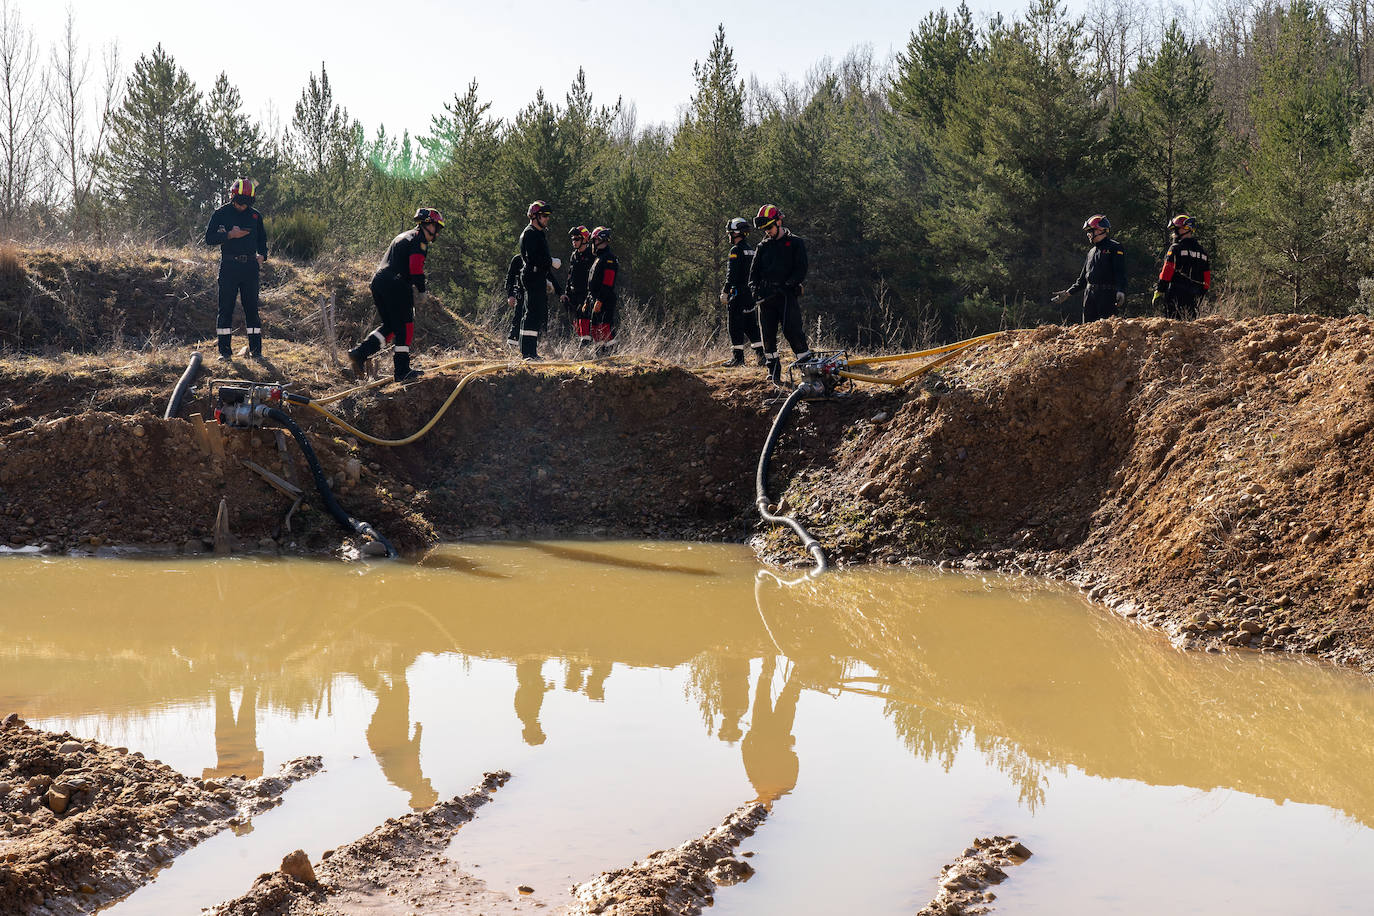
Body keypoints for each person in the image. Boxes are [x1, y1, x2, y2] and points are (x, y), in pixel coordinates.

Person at [348, 207, 444, 383]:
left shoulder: (404, 235)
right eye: (436, 228)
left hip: (378, 282)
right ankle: (402, 371)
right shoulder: (419, 240)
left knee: (391, 326)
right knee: (405, 326)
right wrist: (421, 290)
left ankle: (360, 353)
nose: (437, 233)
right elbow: (415, 268)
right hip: (397, 285)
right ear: (427, 224)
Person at [204, 178, 268, 360]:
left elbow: (262, 240)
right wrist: (229, 235)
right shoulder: (221, 213)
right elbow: (209, 238)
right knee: (225, 309)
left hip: (250, 268)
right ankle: (224, 352)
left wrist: (262, 255)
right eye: (240, 203)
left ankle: (257, 352)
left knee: (252, 310)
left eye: (246, 204)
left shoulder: (255, 216)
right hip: (229, 266)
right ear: (232, 196)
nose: (242, 207)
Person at [747, 204, 811, 384]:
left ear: (779, 222)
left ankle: (807, 369)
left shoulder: (795, 243)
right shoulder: (763, 247)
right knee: (767, 336)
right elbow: (753, 274)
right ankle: (773, 370)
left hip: (786, 297)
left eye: (769, 227)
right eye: (764, 229)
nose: (767, 232)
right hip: (766, 299)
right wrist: (755, 291)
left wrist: (788, 285)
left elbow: (801, 268)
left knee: (793, 332)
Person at [1052, 214, 1126, 322]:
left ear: (1100, 230)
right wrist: (1067, 293)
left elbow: (1120, 272)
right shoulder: (1091, 252)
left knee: (1106, 331)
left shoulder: (1115, 247)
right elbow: (1082, 280)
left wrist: (1121, 291)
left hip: (1107, 296)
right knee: (1088, 332)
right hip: (1089, 297)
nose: (1088, 235)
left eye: (1090, 231)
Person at [518, 201, 562, 360]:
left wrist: (548, 279)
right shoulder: (530, 233)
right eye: (544, 216)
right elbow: (534, 258)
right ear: (534, 216)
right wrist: (550, 261)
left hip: (538, 276)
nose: (546, 219)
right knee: (532, 314)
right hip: (532, 275)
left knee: (534, 314)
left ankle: (530, 352)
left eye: (547, 216)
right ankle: (528, 353)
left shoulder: (538, 233)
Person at [721, 217, 766, 366]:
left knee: (734, 325)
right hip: (750, 294)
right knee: (751, 325)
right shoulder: (751, 250)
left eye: (730, 233)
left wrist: (725, 292)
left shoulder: (736, 250)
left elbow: (732, 274)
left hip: (738, 293)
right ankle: (761, 357)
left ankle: (738, 359)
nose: (729, 236)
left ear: (735, 233)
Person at [1152, 214, 1211, 320]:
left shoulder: (1176, 248)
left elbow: (1167, 271)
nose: (1174, 234)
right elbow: (1207, 281)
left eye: (1176, 230)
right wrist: (1200, 294)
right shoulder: (1203, 252)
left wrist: (1160, 289)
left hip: (1175, 295)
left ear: (1186, 229)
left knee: (1172, 327)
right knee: (1189, 328)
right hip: (1194, 297)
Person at [586, 226, 619, 356]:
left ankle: (612, 354)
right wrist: (589, 300)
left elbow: (608, 282)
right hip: (595, 299)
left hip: (605, 300)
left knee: (605, 328)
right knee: (595, 328)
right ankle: (600, 354)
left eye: (594, 240)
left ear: (600, 240)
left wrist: (599, 300)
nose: (592, 244)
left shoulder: (609, 258)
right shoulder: (599, 258)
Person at [563, 225, 594, 347]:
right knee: (575, 319)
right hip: (574, 294)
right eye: (572, 239)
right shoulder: (574, 255)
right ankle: (582, 340)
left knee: (585, 318)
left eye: (576, 239)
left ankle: (586, 344)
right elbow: (570, 275)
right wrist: (566, 292)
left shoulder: (592, 255)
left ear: (585, 239)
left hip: (586, 294)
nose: (574, 242)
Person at [504, 253, 524, 349]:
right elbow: (510, 278)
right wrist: (510, 295)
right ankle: (512, 345)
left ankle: (527, 346)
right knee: (517, 319)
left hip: (534, 296)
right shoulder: (517, 259)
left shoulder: (537, 258)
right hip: (520, 296)